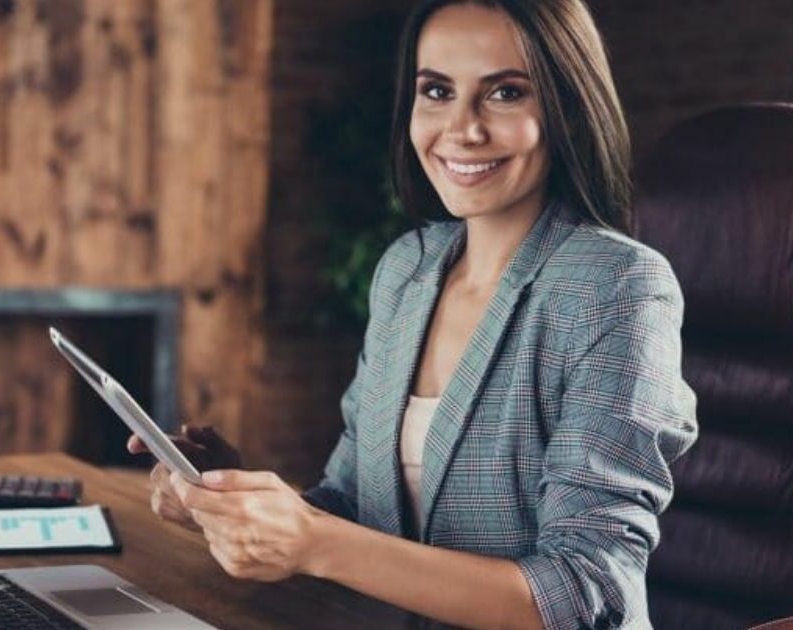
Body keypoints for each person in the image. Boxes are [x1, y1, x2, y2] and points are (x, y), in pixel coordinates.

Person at [128, 1, 698, 628]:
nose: (462, 129)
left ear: (566, 108)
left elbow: (584, 590)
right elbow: (353, 510)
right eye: (437, 91)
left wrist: (314, 540)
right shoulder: (407, 270)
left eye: (505, 93)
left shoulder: (616, 286)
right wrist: (236, 497)